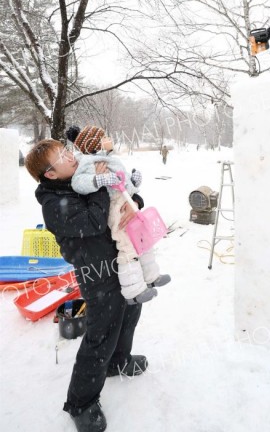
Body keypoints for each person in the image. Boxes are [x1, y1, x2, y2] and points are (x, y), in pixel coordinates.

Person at [25, 139, 147, 432]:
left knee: (130, 312)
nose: (71, 156)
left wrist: (133, 205)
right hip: (95, 271)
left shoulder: (82, 173)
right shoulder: (54, 203)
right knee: (101, 332)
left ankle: (118, 361)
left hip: (121, 259)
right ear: (51, 174)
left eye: (67, 150)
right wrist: (101, 185)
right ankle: (81, 403)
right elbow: (93, 221)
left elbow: (121, 198)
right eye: (63, 157)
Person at [66, 125, 170, 304]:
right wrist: (98, 180)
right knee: (127, 245)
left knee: (144, 240)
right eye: (104, 136)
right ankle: (134, 291)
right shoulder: (87, 162)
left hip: (127, 201)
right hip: (115, 208)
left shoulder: (109, 158)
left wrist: (134, 183)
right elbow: (78, 183)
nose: (109, 139)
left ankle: (152, 276)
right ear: (96, 144)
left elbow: (123, 180)